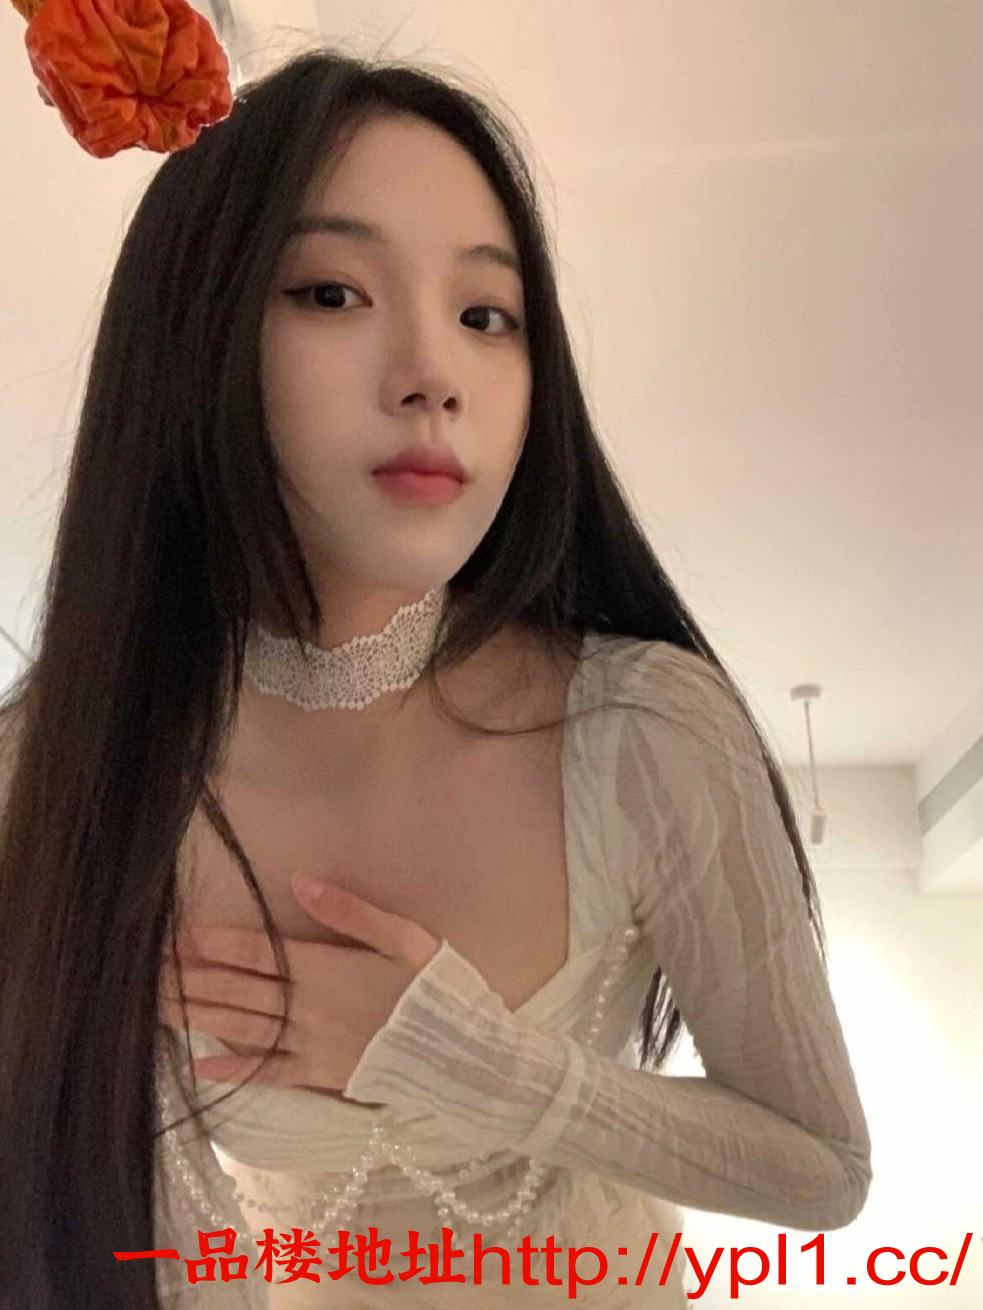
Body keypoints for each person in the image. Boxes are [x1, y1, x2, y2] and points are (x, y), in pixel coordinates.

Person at [0, 47, 872, 1310]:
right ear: (193, 330)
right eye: (332, 292)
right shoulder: (54, 769)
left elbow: (824, 1167)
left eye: (484, 314)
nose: (432, 375)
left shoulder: (639, 729)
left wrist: (471, 1061)